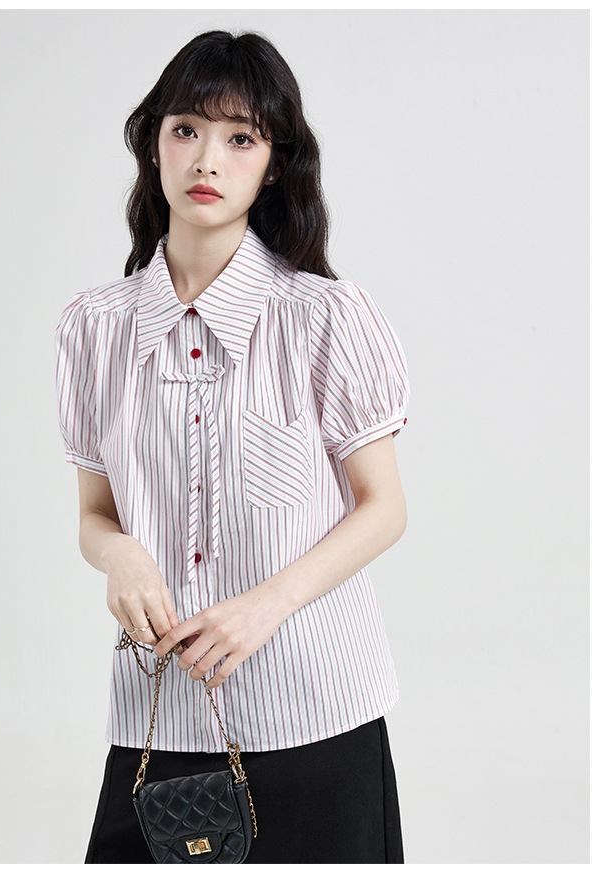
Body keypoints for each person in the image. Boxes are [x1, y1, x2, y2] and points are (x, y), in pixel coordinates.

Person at [55, 29, 410, 864]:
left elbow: (385, 508)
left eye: (240, 137)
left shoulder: (325, 318)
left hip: (317, 712)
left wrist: (266, 604)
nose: (207, 159)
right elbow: (95, 515)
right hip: (163, 717)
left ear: (275, 163)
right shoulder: (94, 329)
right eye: (186, 129)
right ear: (153, 144)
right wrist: (120, 557)